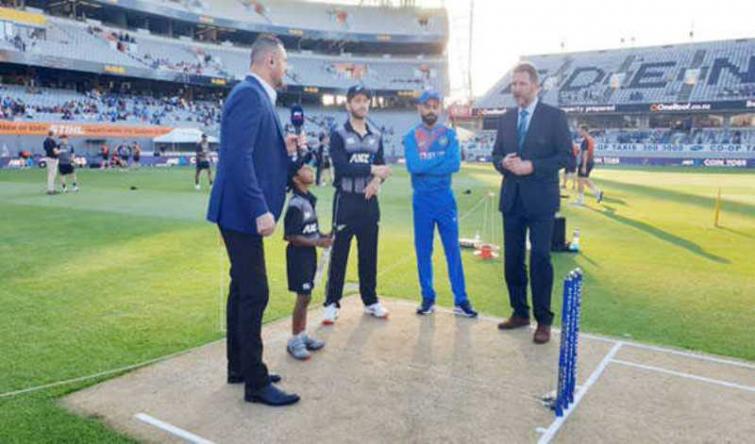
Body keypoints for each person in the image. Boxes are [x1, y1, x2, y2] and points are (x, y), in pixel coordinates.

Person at [206, 34, 305, 407]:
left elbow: (254, 153)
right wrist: (260, 209)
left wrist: (283, 149)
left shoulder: (257, 96)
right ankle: (255, 382)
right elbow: (237, 158)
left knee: (241, 289)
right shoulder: (249, 95)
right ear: (270, 61)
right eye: (284, 62)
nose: (286, 69)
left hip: (239, 210)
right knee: (255, 292)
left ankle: (240, 367)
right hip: (241, 212)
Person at [491, 62, 572, 344]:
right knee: (512, 260)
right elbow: (495, 155)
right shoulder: (506, 119)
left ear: (536, 86)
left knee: (539, 258)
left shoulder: (554, 117)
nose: (516, 89)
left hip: (541, 202)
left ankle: (543, 320)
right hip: (512, 200)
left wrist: (532, 166)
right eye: (514, 84)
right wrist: (503, 163)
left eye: (522, 84)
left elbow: (566, 157)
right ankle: (520, 312)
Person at [402, 89, 477, 318]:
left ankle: (461, 299)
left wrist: (428, 165)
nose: (431, 110)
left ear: (440, 108)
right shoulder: (411, 136)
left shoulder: (449, 135)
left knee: (452, 249)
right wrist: (440, 160)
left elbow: (454, 164)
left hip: (445, 198)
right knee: (423, 251)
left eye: (435, 106)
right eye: (427, 106)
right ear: (419, 108)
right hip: (422, 200)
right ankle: (428, 297)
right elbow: (414, 166)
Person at [322, 85, 391, 325]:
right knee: (339, 254)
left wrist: (377, 181)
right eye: (357, 100)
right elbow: (342, 167)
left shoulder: (376, 134)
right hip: (346, 200)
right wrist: (373, 170)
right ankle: (331, 302)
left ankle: (370, 300)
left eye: (365, 101)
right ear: (348, 104)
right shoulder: (339, 134)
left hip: (369, 203)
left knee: (369, 253)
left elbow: (383, 167)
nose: (362, 105)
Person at [283, 161, 332, 360]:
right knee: (303, 296)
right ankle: (295, 340)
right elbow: (290, 235)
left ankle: (302, 335)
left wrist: (324, 236)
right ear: (296, 179)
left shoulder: (308, 200)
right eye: (304, 169)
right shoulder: (295, 204)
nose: (310, 170)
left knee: (307, 296)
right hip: (298, 256)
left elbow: (309, 230)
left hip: (308, 253)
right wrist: (318, 242)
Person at [575, 125, 604, 205]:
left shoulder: (586, 140)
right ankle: (597, 192)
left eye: (580, 131)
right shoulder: (591, 139)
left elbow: (585, 153)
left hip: (586, 162)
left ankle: (580, 200)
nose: (579, 132)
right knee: (585, 179)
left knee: (580, 180)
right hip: (590, 162)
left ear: (584, 131)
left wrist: (583, 166)